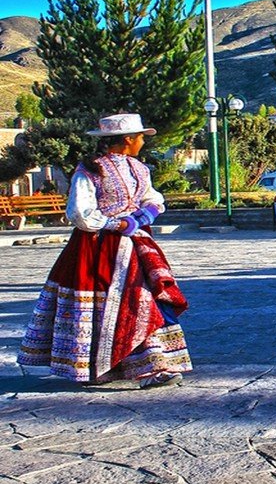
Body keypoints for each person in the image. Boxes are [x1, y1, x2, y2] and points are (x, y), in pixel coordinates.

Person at [17, 114, 191, 388]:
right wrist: (115, 223)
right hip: (97, 247)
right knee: (106, 303)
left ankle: (153, 364)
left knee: (143, 300)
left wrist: (144, 216)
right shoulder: (91, 169)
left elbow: (153, 198)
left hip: (135, 245)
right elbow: (80, 212)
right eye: (141, 137)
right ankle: (97, 367)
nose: (143, 141)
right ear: (128, 139)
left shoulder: (139, 168)